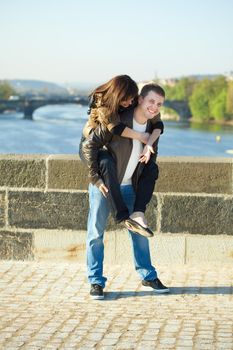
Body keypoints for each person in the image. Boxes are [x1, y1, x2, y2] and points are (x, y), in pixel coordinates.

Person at [81, 83, 170, 299]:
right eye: (151, 101)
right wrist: (95, 178)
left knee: (140, 233)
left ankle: (148, 275)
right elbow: (89, 145)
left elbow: (150, 161)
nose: (154, 107)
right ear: (139, 99)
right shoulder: (116, 120)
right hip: (106, 186)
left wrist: (152, 140)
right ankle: (96, 281)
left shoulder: (152, 127)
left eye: (159, 104)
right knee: (96, 233)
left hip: (130, 186)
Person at [80, 75, 164, 237]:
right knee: (105, 160)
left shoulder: (132, 106)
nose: (128, 103)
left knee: (151, 167)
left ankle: (136, 216)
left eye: (131, 100)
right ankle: (122, 216)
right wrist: (95, 178)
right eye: (125, 100)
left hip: (123, 173)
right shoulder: (105, 107)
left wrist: (149, 144)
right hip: (90, 144)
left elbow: (158, 122)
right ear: (117, 95)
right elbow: (113, 130)